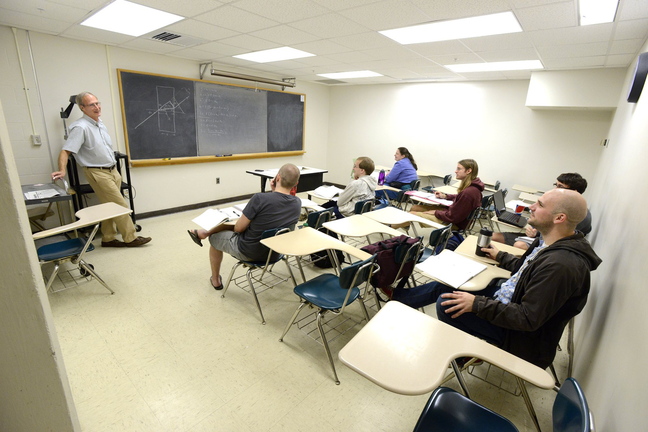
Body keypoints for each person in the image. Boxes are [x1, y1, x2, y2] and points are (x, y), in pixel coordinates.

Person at [393, 188, 602, 369]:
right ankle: (398, 301)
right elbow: (525, 269)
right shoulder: (548, 243)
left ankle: (467, 353)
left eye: (539, 204)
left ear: (559, 218)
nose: (531, 207)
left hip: (521, 337)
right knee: (447, 286)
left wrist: (476, 304)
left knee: (447, 304)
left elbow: (527, 319)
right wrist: (499, 255)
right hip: (510, 298)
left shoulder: (561, 266)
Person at [51, 92, 151, 248]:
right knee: (120, 205)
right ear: (82, 108)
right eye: (92, 105)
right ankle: (130, 238)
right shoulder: (80, 127)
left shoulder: (100, 123)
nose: (97, 107)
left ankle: (108, 238)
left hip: (112, 170)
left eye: (97, 103)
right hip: (97, 172)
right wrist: (62, 171)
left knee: (109, 205)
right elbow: (65, 151)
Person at [188, 163, 302, 290]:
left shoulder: (260, 198)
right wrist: (275, 192)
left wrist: (273, 191)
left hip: (250, 251)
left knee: (215, 238)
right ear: (295, 184)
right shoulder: (297, 203)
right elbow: (278, 202)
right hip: (275, 253)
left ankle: (215, 280)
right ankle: (204, 232)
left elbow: (238, 229)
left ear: (277, 178)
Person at [493, 173, 592, 250]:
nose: (555, 189)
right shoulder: (559, 205)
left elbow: (553, 239)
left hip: (543, 243)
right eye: (555, 185)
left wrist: (536, 233)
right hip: (537, 238)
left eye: (560, 187)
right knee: (493, 236)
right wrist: (533, 229)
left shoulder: (578, 215)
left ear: (573, 192)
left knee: (519, 245)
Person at [397, 159, 483, 231]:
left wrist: (435, 212)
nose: (455, 171)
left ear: (468, 171)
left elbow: (453, 217)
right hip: (451, 214)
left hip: (453, 224)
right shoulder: (472, 188)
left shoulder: (468, 193)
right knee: (415, 208)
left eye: (459, 169)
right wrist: (445, 196)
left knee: (411, 214)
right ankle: (403, 226)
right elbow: (459, 198)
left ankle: (390, 227)